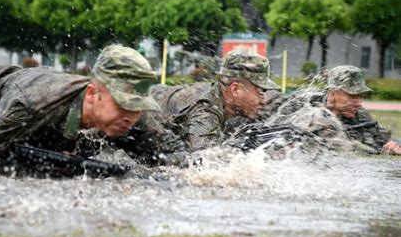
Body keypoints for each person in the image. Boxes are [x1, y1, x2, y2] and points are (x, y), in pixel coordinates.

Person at [0, 45, 175, 172]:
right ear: (92, 93)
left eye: (138, 107)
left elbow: (177, 158)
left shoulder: (130, 120)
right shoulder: (35, 102)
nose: (130, 116)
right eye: (123, 104)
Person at [149, 49, 281, 151]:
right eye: (260, 91)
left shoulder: (224, 100)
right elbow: (206, 161)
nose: (262, 100)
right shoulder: (205, 112)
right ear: (235, 90)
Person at [268, 65, 401, 155]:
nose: (358, 102)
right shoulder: (306, 107)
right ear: (332, 93)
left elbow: (376, 135)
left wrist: (388, 145)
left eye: (361, 96)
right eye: (352, 96)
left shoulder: (359, 114)